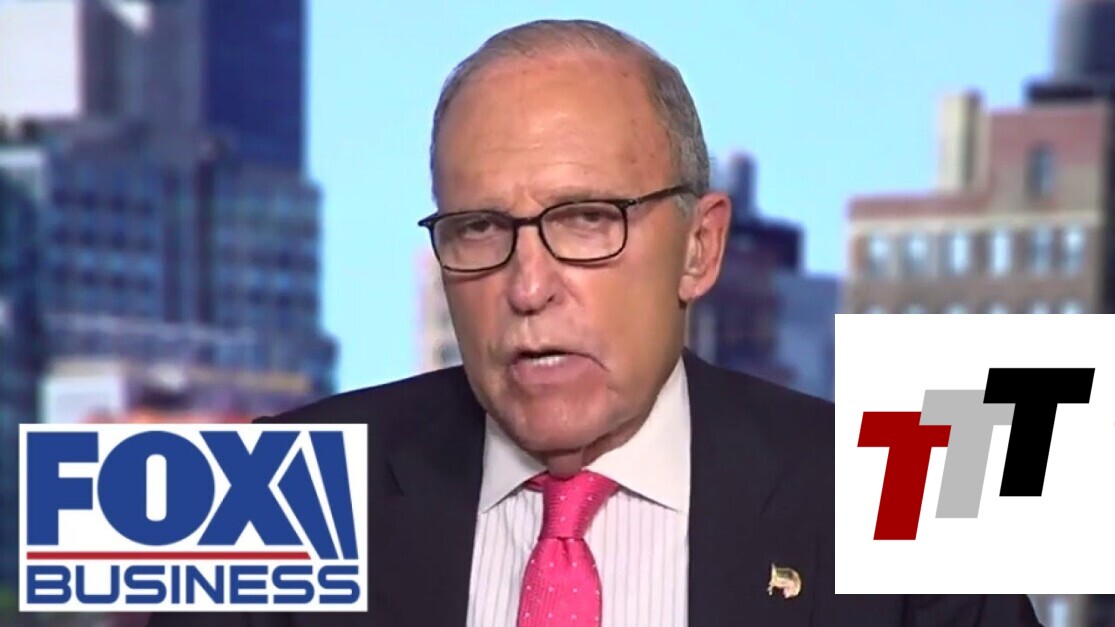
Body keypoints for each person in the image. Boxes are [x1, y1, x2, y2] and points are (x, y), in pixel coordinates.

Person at [148, 18, 1042, 627]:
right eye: (480, 228)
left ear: (698, 248)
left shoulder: (900, 496)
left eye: (586, 220)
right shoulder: (270, 497)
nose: (528, 285)